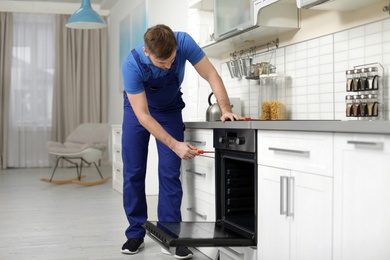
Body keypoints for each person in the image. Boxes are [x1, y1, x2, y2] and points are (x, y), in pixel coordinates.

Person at [120, 24, 240, 259]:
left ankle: (170, 236)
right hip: (138, 110)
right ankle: (135, 232)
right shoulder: (131, 64)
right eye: (160, 63)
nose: (167, 66)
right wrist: (174, 144)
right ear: (147, 52)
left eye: (170, 60)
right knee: (134, 170)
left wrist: (225, 109)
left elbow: (211, 74)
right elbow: (143, 115)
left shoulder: (184, 42)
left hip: (169, 109)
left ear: (176, 47)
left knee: (169, 172)